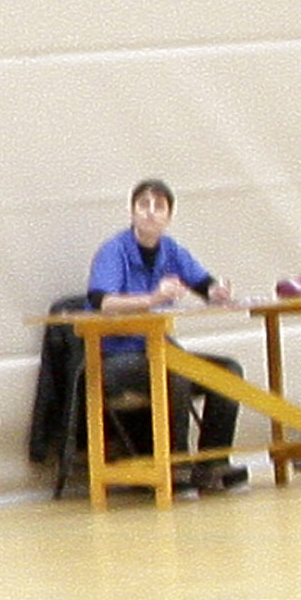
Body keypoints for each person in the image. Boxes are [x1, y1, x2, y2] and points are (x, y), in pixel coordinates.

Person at [87, 177, 245, 489]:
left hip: (158, 350)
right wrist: (152, 300)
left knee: (228, 371)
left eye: (158, 206)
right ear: (132, 212)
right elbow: (102, 301)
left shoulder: (171, 250)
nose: (150, 212)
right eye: (143, 205)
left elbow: (203, 284)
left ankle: (213, 463)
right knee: (176, 372)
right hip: (116, 357)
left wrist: (217, 292)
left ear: (169, 216)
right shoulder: (114, 251)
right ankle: (175, 465)